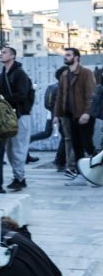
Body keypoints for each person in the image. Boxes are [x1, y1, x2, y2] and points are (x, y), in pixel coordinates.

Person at [54, 47, 97, 179]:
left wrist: (87, 113)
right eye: (65, 55)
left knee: (87, 144)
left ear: (76, 57)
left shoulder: (86, 73)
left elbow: (91, 95)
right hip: (70, 116)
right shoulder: (65, 75)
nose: (65, 57)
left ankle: (97, 168)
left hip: (84, 115)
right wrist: (57, 114)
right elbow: (60, 96)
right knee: (76, 145)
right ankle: (80, 171)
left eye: (68, 55)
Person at [0, 45, 35, 190]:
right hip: (9, 116)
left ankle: (19, 178)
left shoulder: (19, 73)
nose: (2, 54)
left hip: (21, 115)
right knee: (10, 150)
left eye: (4, 52)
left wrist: (3, 100)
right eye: (2, 52)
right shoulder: (3, 74)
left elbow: (22, 94)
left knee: (18, 148)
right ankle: (18, 176)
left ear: (12, 56)